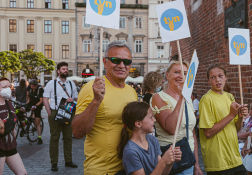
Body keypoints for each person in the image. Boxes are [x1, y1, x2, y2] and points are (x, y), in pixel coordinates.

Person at [72, 41, 137, 175]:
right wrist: (96, 101)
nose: (122, 65)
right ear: (105, 62)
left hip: (129, 167)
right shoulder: (91, 88)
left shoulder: (132, 92)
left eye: (127, 62)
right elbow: (77, 132)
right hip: (102, 170)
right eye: (115, 60)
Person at [150, 60, 202, 175]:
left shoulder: (188, 99)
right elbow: (171, 128)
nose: (181, 76)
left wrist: (196, 164)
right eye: (177, 72)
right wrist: (180, 99)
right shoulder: (158, 98)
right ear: (167, 75)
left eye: (184, 73)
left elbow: (192, 132)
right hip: (171, 160)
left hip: (189, 159)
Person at [199, 64, 248, 175]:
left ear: (225, 78)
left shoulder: (229, 97)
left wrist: (239, 117)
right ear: (208, 81)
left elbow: (236, 129)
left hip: (234, 157)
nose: (217, 80)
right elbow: (208, 132)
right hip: (218, 161)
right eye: (213, 77)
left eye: (220, 76)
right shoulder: (206, 99)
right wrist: (231, 115)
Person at [118, 102, 182, 175]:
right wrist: (163, 161)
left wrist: (170, 161)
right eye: (151, 117)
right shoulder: (131, 151)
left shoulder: (152, 140)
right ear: (138, 124)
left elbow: (163, 173)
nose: (154, 120)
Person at [43, 62, 78, 171]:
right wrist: (49, 111)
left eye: (66, 69)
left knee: (68, 138)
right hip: (55, 112)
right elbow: (45, 98)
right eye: (63, 69)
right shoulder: (51, 83)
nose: (65, 71)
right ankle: (54, 163)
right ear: (58, 71)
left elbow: (76, 97)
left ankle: (68, 161)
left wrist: (73, 100)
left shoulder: (71, 83)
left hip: (68, 112)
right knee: (54, 138)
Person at [0, 77, 27, 174]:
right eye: (4, 87)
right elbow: (1, 129)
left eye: (9, 86)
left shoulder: (9, 104)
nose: (7, 89)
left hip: (10, 146)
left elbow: (13, 122)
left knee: (22, 173)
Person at [26, 79, 44, 144]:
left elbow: (41, 100)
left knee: (37, 123)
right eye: (31, 85)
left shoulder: (40, 89)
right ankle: (26, 125)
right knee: (22, 111)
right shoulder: (29, 88)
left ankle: (39, 138)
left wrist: (35, 106)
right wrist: (26, 103)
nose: (32, 87)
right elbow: (28, 97)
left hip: (38, 106)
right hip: (31, 104)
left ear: (36, 85)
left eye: (33, 86)